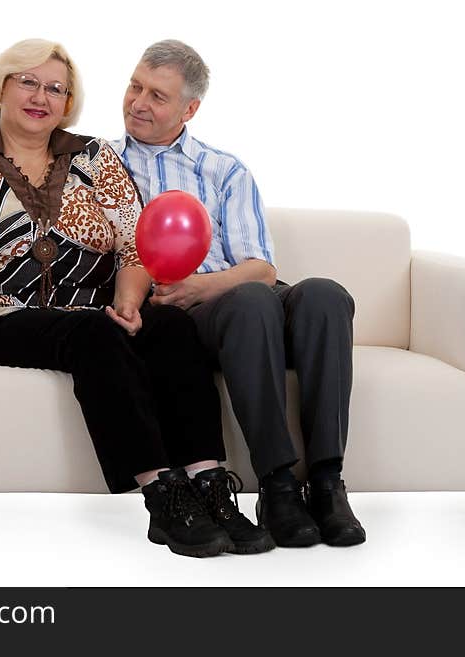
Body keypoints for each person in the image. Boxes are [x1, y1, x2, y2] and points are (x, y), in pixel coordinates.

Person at [0, 38, 274, 557]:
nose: (40, 97)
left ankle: (210, 483)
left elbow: (134, 245)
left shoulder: (94, 156)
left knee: (172, 326)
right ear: (1, 84)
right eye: (28, 81)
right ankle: (162, 495)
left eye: (56, 89)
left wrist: (131, 301)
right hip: (1, 316)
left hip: (90, 312)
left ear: (68, 102)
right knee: (93, 332)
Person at [116, 40, 366, 547]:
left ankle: (326, 483)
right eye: (135, 86)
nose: (139, 102)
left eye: (157, 96)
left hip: (236, 290)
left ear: (189, 109)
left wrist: (200, 285)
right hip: (205, 316)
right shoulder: (101, 166)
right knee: (252, 302)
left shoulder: (225, 170)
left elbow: (260, 266)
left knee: (324, 296)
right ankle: (276, 486)